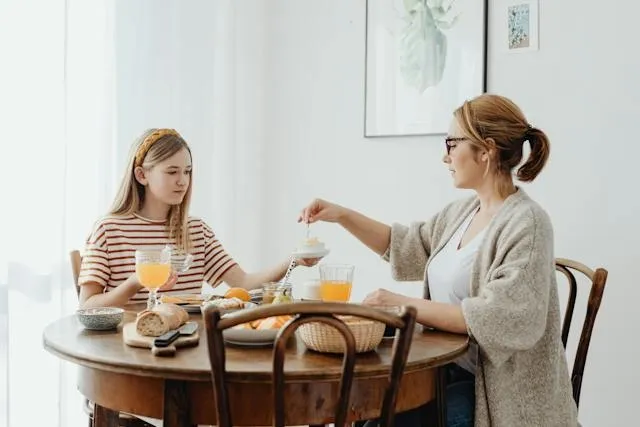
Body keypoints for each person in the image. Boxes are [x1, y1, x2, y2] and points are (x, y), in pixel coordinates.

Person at [299, 94, 578, 426]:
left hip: (497, 394)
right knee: (366, 410)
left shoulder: (528, 223)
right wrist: (341, 215)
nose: (445, 157)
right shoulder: (463, 212)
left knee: (383, 418)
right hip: (447, 370)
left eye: (451, 144)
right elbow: (406, 246)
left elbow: (503, 317)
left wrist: (403, 305)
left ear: (485, 151)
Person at [79, 128, 317, 309]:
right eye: (172, 172)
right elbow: (87, 306)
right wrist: (136, 281)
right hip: (126, 351)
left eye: (187, 171)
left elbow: (242, 284)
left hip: (187, 347)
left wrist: (293, 259)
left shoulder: (195, 230)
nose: (183, 181)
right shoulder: (108, 230)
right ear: (142, 175)